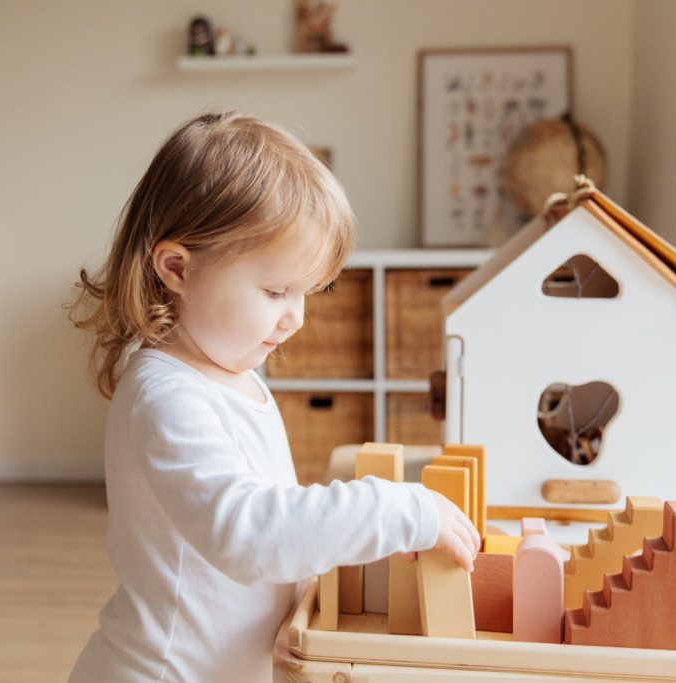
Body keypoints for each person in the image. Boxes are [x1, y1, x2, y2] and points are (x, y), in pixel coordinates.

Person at [66, 111, 479, 682]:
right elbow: (249, 534)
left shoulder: (235, 376)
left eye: (306, 292)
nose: (295, 317)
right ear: (177, 268)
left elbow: (271, 524)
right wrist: (396, 508)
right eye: (276, 290)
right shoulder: (166, 395)